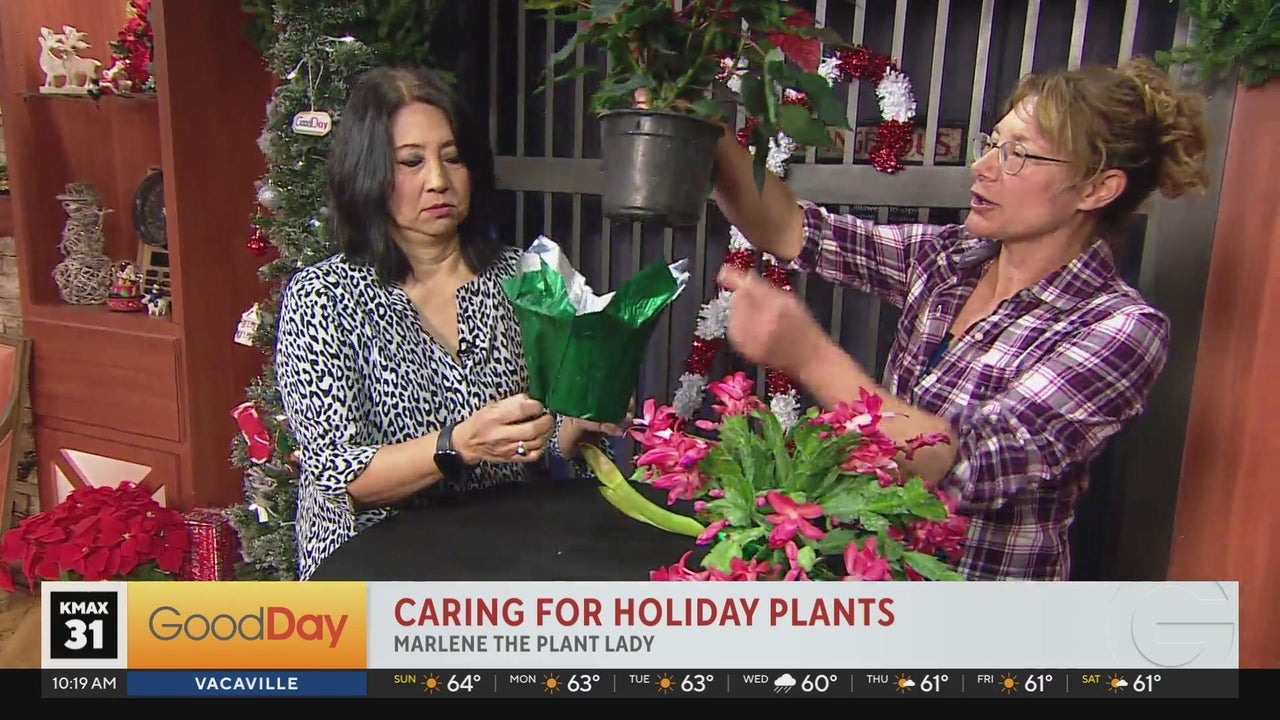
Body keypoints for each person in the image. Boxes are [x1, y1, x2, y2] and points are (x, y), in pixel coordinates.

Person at [699, 57, 1210, 581]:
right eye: (993, 143)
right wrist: (704, 132)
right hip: (878, 576)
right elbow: (790, 229)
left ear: (1096, 189)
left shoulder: (1119, 327)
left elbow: (960, 463)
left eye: (1018, 154)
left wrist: (810, 357)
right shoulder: (952, 260)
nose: (983, 167)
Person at [275, 67, 619, 581]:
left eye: (453, 158)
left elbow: (542, 437)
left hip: (506, 549)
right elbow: (340, 476)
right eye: (411, 162)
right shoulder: (322, 296)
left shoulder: (525, 277)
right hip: (374, 561)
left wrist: (577, 425)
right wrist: (458, 445)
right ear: (368, 172)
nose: (438, 180)